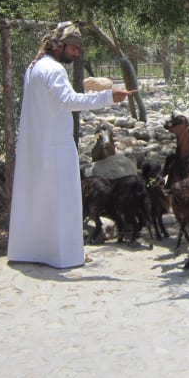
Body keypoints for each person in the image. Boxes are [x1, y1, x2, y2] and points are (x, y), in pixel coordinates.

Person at [8, 21, 132, 268]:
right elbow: (69, 100)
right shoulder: (53, 70)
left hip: (38, 146)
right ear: (59, 46)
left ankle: (36, 251)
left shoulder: (34, 67)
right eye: (74, 49)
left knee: (40, 199)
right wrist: (108, 96)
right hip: (55, 147)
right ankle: (67, 255)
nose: (76, 54)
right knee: (65, 200)